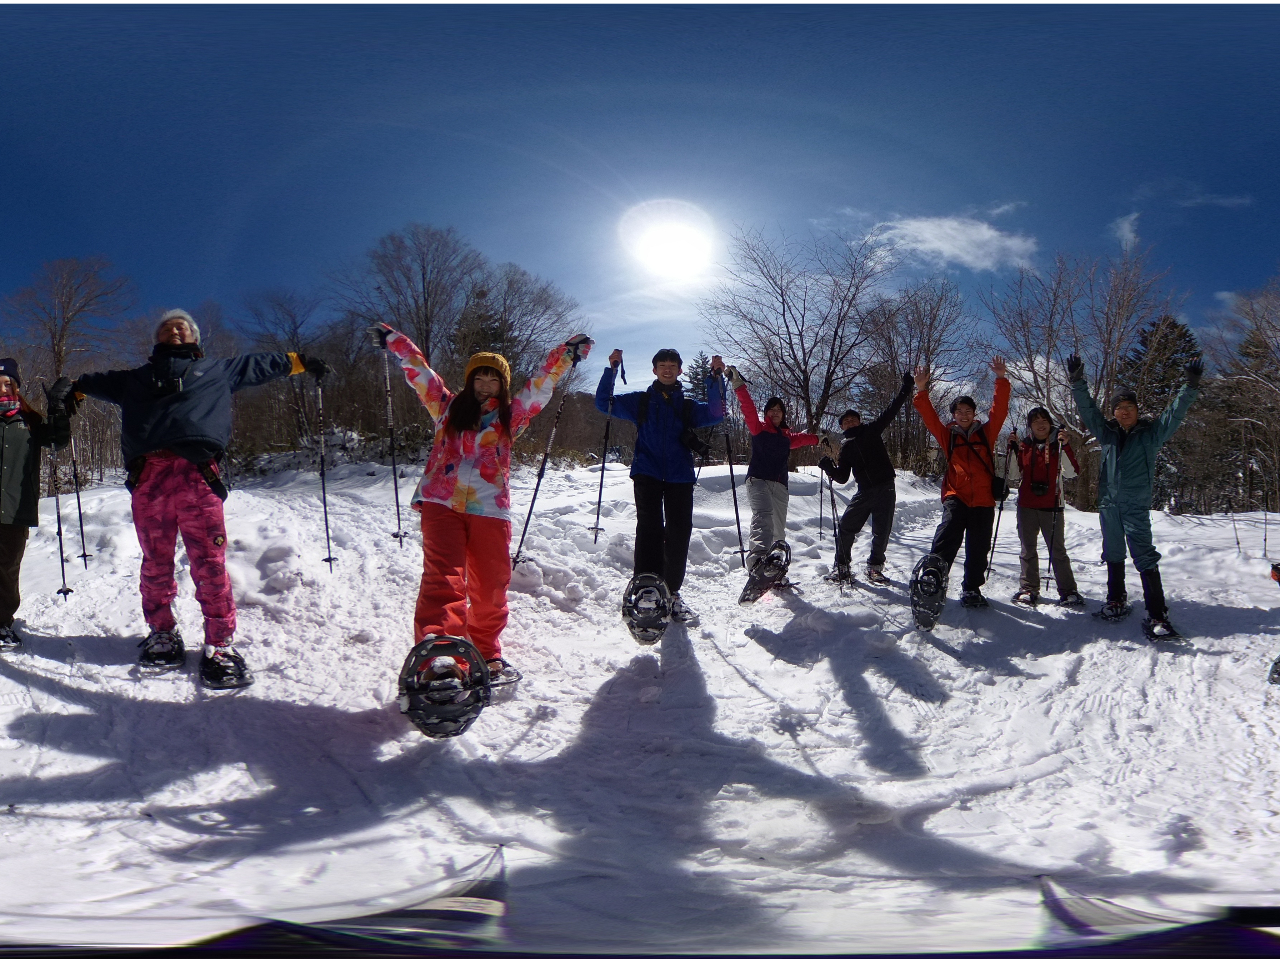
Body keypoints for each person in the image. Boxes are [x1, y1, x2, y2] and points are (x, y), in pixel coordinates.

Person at [71, 309, 330, 688]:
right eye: (167, 327)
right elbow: (89, 382)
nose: (175, 330)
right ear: (158, 339)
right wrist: (72, 389)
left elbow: (263, 364)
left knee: (209, 562)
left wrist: (301, 361)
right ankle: (162, 633)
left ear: (194, 338)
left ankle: (220, 644)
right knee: (155, 562)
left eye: (183, 327)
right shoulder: (134, 380)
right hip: (148, 479)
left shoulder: (218, 370)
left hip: (198, 475)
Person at [376, 324, 592, 679]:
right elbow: (421, 373)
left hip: (490, 508)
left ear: (502, 385)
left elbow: (541, 384)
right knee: (443, 579)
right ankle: (440, 655)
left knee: (491, 586)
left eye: (493, 379)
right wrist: (395, 342)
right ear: (470, 381)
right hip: (441, 503)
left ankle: (486, 651)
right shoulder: (445, 407)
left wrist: (565, 355)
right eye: (479, 378)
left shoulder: (512, 415)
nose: (486, 384)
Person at [1067, 352, 1201, 636]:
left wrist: (1189, 387)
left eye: (1129, 406)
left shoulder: (1151, 435)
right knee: (1113, 552)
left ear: (1137, 410)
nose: (1124, 411)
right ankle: (1115, 600)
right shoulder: (1107, 433)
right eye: (1119, 407)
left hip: (1135, 506)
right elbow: (1088, 410)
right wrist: (1077, 382)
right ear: (1114, 412)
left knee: (1144, 555)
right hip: (1109, 506)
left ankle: (1157, 614)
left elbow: (1174, 414)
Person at [595, 347, 725, 625]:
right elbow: (603, 403)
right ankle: (646, 589)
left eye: (672, 365)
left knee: (679, 533)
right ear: (654, 370)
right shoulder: (640, 401)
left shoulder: (688, 406)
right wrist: (612, 370)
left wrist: (715, 378)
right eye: (662, 365)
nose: (667, 369)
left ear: (680, 370)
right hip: (647, 473)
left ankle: (671, 593)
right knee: (649, 529)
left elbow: (716, 413)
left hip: (680, 476)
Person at [912, 358, 1010, 608]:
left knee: (978, 547)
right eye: (959, 412)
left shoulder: (986, 434)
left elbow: (999, 411)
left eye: (968, 411)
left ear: (974, 414)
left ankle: (971, 589)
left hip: (984, 500)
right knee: (947, 536)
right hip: (956, 495)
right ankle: (933, 577)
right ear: (954, 416)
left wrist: (1000, 379)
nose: (964, 415)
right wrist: (921, 390)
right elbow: (930, 419)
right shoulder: (948, 437)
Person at [0, 360, 72, 650]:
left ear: (17, 387)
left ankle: (2, 623)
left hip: (16, 507)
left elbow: (58, 441)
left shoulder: (31, 420)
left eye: (8, 383)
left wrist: (58, 410)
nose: (3, 388)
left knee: (6, 569)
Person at [818, 371, 914, 585]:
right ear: (841, 427)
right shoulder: (845, 448)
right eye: (846, 421)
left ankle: (874, 568)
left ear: (859, 421)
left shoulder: (871, 430)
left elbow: (891, 411)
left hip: (885, 487)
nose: (850, 422)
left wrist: (906, 388)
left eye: (853, 419)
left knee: (882, 531)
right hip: (864, 492)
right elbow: (842, 477)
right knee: (846, 526)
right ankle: (842, 567)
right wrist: (829, 467)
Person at [725, 367, 819, 576]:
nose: (775, 412)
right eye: (771, 409)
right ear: (766, 413)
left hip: (780, 487)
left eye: (779, 410)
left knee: (778, 529)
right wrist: (738, 385)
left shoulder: (787, 438)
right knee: (763, 517)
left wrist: (819, 439)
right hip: (758, 481)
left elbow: (803, 439)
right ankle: (758, 562)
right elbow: (748, 407)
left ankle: (776, 567)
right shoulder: (758, 429)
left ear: (783, 414)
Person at [1007, 407, 1083, 606]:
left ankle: (1068, 591)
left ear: (1050, 423)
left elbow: (1071, 472)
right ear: (1030, 426)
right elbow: (1013, 475)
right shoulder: (1025, 445)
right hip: (1027, 506)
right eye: (1035, 421)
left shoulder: (1058, 444)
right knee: (1027, 550)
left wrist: (1065, 445)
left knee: (1057, 551)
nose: (1040, 425)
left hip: (1052, 505)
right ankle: (1028, 588)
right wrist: (1013, 449)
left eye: (1044, 420)